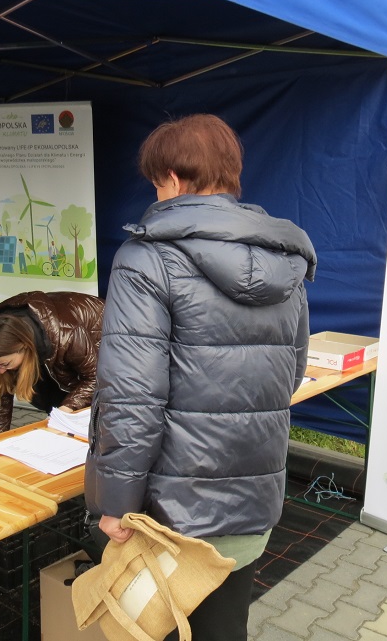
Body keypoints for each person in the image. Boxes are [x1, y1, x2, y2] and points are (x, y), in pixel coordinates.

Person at [84, 114, 316, 641]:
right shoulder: (286, 259)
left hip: (172, 514)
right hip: (252, 501)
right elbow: (292, 372)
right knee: (226, 628)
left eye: (155, 182)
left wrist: (116, 504)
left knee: (156, 628)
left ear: (171, 177)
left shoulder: (146, 258)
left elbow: (132, 397)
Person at [0, 291, 103, 435]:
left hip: (107, 353)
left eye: (5, 364)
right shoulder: (0, 341)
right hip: (62, 362)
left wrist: (65, 410)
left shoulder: (67, 335)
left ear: (24, 346)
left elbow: (97, 378)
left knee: (83, 426)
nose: (0, 370)